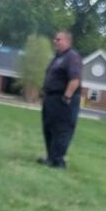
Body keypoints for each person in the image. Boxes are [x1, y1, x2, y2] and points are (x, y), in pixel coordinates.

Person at [38, 30, 83, 169]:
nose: (55, 41)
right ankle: (51, 157)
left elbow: (75, 79)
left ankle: (58, 161)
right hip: (51, 98)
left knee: (62, 129)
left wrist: (67, 97)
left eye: (59, 39)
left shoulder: (72, 57)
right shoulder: (57, 58)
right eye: (55, 39)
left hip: (64, 99)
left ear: (67, 41)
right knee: (49, 127)